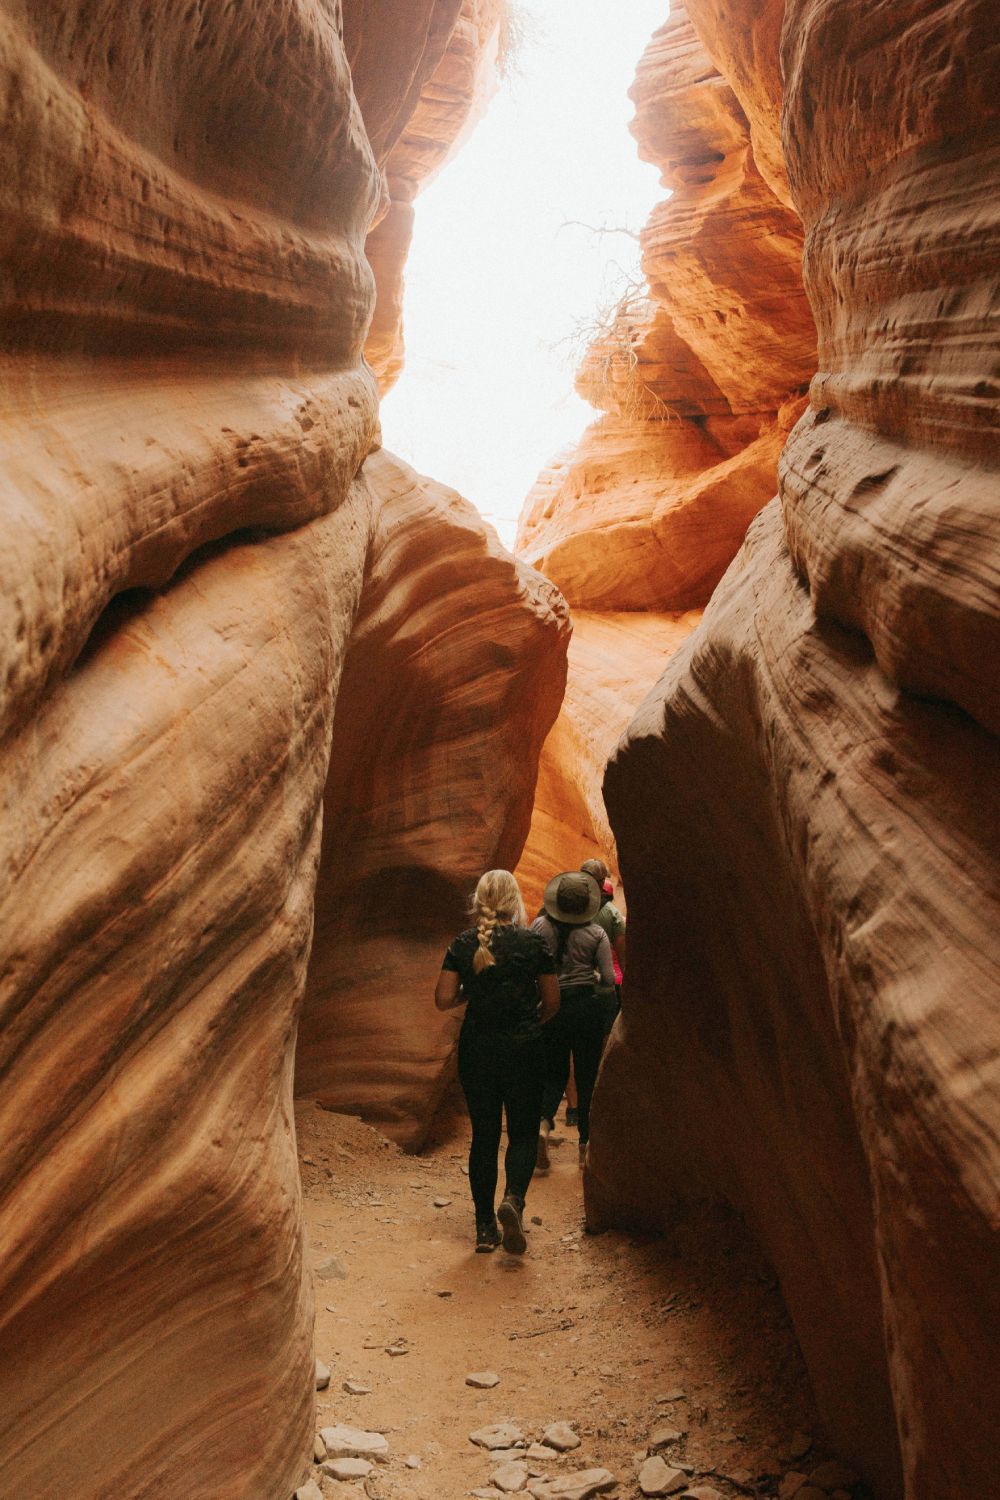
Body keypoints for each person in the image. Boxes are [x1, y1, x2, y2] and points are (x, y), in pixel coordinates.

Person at [435, 869, 559, 1255]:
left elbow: (442, 998)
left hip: (479, 1050)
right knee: (522, 1132)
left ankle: (485, 1227)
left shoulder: (463, 944)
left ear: (480, 900)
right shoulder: (533, 942)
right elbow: (552, 1001)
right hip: (524, 1048)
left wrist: (468, 998)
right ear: (513, 900)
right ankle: (514, 1202)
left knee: (484, 1136)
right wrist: (529, 1023)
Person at [530, 870, 615, 1168]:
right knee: (587, 1075)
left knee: (552, 1073)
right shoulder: (596, 934)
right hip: (585, 1008)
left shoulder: (540, 926)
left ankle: (542, 1125)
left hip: (551, 1007)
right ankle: (584, 1147)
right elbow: (607, 978)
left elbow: (529, 969)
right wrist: (588, 975)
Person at [581, 859, 626, 1042]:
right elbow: (623, 959)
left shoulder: (567, 907)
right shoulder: (613, 915)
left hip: (574, 988)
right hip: (603, 990)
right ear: (601, 883)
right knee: (600, 1044)